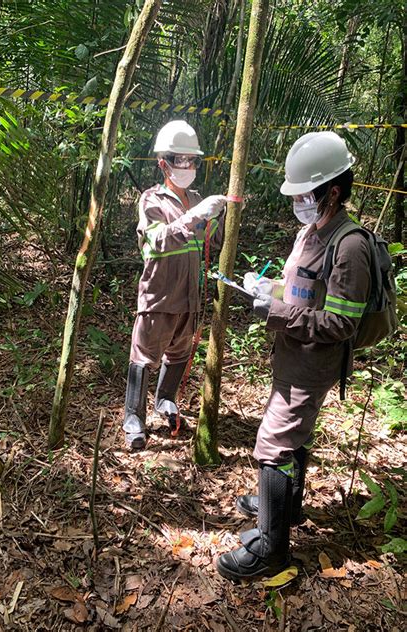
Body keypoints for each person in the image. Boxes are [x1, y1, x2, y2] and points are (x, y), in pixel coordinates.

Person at [216, 131, 372, 581]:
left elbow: (341, 324)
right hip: (291, 354)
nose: (298, 201)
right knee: (292, 439)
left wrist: (276, 310)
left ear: (333, 192)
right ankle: (285, 507)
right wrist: (269, 291)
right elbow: (304, 292)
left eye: (305, 193)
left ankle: (272, 549)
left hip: (312, 363)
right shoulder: (312, 231)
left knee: (273, 445)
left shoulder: (350, 246)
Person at [123, 120, 228, 450]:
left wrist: (219, 217)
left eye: (191, 160)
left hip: (191, 298)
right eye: (177, 160)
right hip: (160, 294)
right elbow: (154, 242)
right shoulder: (152, 200)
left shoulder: (198, 197)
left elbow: (215, 241)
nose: (185, 166)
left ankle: (165, 400)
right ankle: (133, 419)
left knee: (181, 351)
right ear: (162, 162)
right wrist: (193, 216)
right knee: (144, 355)